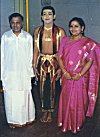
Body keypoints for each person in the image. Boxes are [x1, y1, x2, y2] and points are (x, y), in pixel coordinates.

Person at [57, 17, 100, 133]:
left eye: (76, 26)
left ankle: (77, 123)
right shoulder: (64, 40)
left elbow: (90, 61)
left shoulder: (87, 43)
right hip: (67, 76)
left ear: (82, 28)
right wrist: (64, 72)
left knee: (79, 100)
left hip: (80, 77)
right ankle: (66, 123)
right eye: (71, 26)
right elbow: (59, 57)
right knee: (66, 99)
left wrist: (80, 74)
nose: (73, 28)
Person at [1, 13, 35, 128]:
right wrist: (2, 75)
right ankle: (13, 120)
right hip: (9, 73)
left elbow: (30, 56)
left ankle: (27, 118)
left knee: (24, 95)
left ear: (22, 23)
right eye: (13, 23)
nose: (15, 25)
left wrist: (30, 73)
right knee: (11, 96)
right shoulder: (6, 36)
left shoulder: (27, 37)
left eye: (18, 22)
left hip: (23, 72)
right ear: (10, 24)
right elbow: (2, 56)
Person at [33, 6, 66, 122]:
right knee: (42, 88)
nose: (47, 16)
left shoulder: (60, 31)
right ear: (41, 17)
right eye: (45, 14)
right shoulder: (38, 31)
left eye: (50, 14)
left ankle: (50, 111)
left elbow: (63, 52)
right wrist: (34, 66)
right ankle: (44, 111)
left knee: (52, 88)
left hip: (55, 62)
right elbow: (36, 50)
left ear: (54, 16)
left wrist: (61, 69)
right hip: (41, 61)